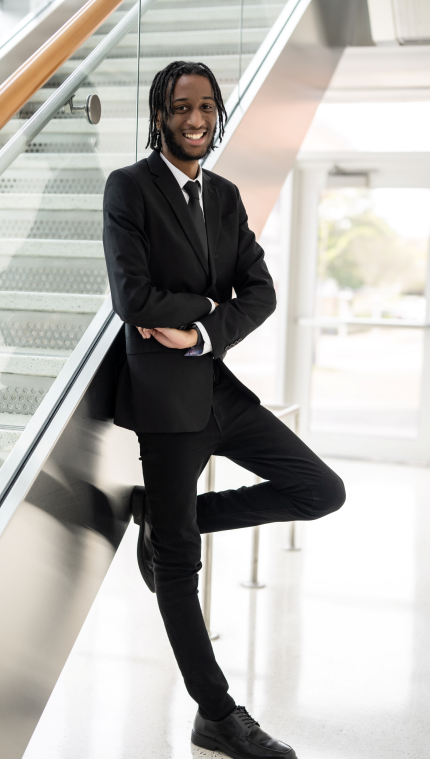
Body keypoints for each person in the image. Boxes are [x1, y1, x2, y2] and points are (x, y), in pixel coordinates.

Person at [103, 60, 345, 759]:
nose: (197, 117)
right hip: (163, 401)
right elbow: (133, 298)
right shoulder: (129, 188)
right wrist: (211, 303)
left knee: (320, 489)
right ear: (159, 115)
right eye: (182, 106)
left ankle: (169, 519)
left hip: (215, 382)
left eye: (207, 105)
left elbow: (261, 291)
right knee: (179, 567)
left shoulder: (227, 196)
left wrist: (207, 326)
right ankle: (216, 713)